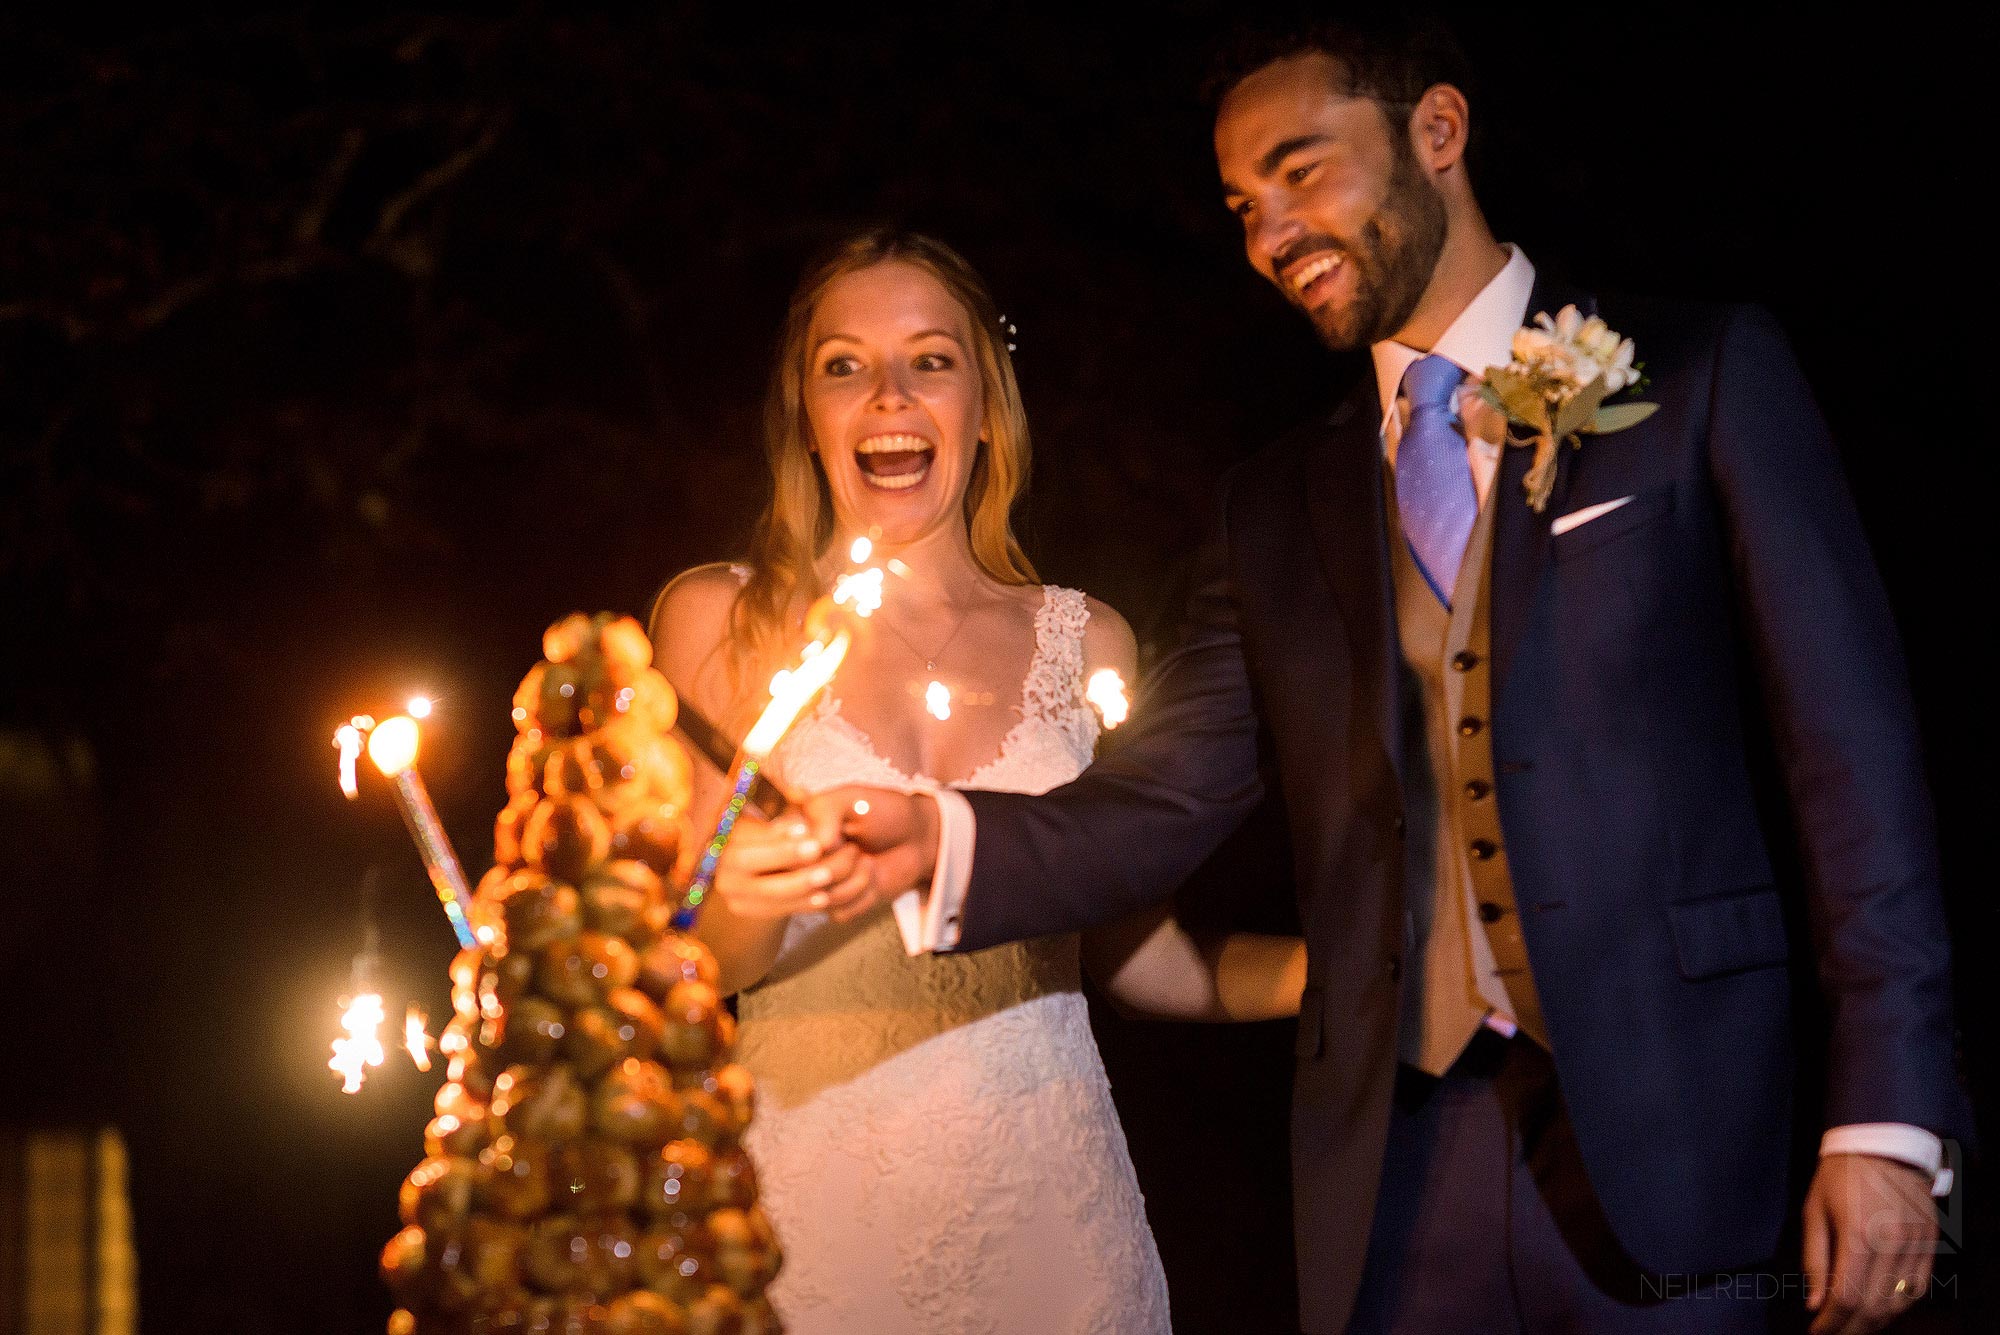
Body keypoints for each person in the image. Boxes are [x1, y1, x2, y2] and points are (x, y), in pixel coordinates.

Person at [727, 19, 1969, 1335]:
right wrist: (938, 833)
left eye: (1301, 172)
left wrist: (1889, 1113)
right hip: (1395, 1177)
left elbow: (1855, 764)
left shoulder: (1703, 375)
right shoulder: (1271, 506)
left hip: (1688, 1143)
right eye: (1244, 205)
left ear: (1438, 131)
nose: (1271, 233)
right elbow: (1156, 805)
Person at [650, 228, 1303, 1334]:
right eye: (843, 365)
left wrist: (1340, 977)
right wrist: (754, 898)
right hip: (806, 1219)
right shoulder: (723, 619)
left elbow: (1135, 953)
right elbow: (688, 963)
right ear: (805, 419)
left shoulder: (1087, 642)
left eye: (930, 360)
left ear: (985, 408)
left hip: (1052, 1218)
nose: (888, 394)